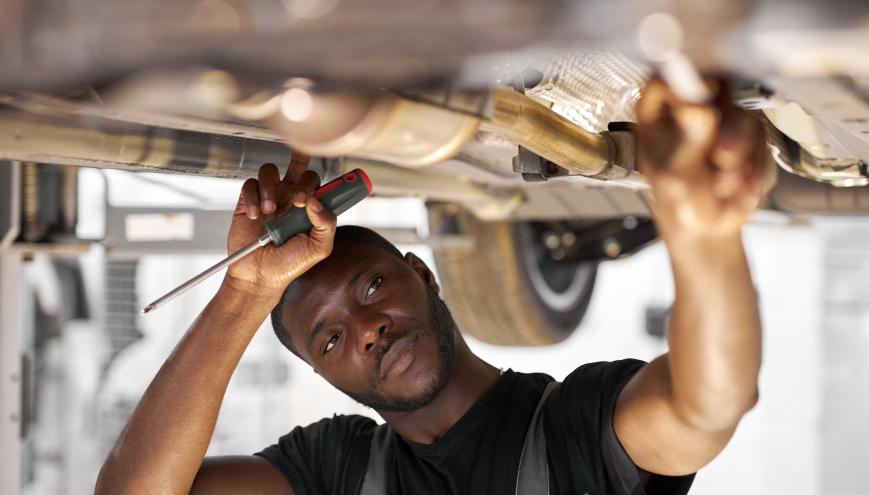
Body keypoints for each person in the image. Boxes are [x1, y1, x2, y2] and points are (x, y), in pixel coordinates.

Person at [95, 79, 772, 495]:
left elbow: (705, 404)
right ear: (323, 375)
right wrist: (244, 295)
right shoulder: (334, 469)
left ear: (422, 273)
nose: (367, 330)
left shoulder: (576, 429)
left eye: (370, 288)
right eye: (330, 340)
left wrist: (704, 239)